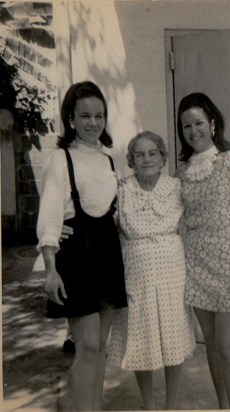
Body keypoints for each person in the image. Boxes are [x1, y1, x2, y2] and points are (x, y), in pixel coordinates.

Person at [36, 81, 127, 411]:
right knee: (86, 345)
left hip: (108, 255)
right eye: (85, 115)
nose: (93, 122)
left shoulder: (110, 160)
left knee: (99, 347)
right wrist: (50, 267)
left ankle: (91, 406)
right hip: (76, 257)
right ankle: (74, 403)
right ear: (71, 119)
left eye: (99, 115)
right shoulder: (60, 158)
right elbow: (49, 214)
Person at [175, 92, 230, 410]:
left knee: (228, 346)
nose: (192, 131)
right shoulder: (182, 172)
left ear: (212, 124)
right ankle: (223, 407)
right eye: (186, 126)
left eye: (198, 123)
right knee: (211, 345)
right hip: (196, 266)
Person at [106, 131, 196, 410]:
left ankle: (170, 405)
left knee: (173, 337)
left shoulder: (176, 186)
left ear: (162, 157)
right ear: (131, 160)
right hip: (135, 272)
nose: (146, 159)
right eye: (139, 154)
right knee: (140, 337)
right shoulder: (121, 189)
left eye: (152, 153)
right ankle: (149, 405)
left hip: (172, 271)